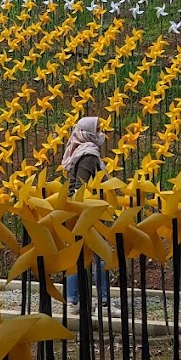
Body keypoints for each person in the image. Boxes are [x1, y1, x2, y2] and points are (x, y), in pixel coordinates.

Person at [60, 116, 118, 316]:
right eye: (98, 129)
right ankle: (103, 303)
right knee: (101, 255)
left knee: (76, 255)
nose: (101, 132)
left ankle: (72, 300)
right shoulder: (89, 155)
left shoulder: (77, 151)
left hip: (80, 212)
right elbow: (81, 187)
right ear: (88, 132)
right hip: (88, 212)